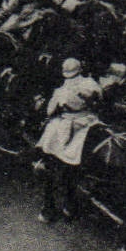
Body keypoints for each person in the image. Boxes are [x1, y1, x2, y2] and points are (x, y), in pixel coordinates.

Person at [36, 58, 102, 223]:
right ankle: (70, 205)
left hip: (69, 125)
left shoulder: (61, 91)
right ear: (80, 69)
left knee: (49, 139)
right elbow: (99, 99)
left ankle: (48, 207)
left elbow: (50, 111)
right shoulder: (91, 83)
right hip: (88, 123)